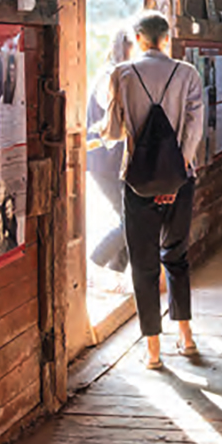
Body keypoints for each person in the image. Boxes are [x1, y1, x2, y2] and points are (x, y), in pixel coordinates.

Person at [100, 11, 204, 369]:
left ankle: (154, 351)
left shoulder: (122, 73)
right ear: (166, 38)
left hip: (138, 181)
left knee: (143, 266)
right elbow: (194, 130)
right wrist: (175, 176)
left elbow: (114, 131)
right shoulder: (188, 74)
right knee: (176, 258)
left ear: (139, 39)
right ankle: (186, 337)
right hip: (181, 179)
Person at [87, 28, 134, 273]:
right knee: (131, 220)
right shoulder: (110, 77)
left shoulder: (119, 74)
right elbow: (119, 119)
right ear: (126, 48)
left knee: (129, 218)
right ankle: (95, 263)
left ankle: (115, 273)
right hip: (104, 161)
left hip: (114, 161)